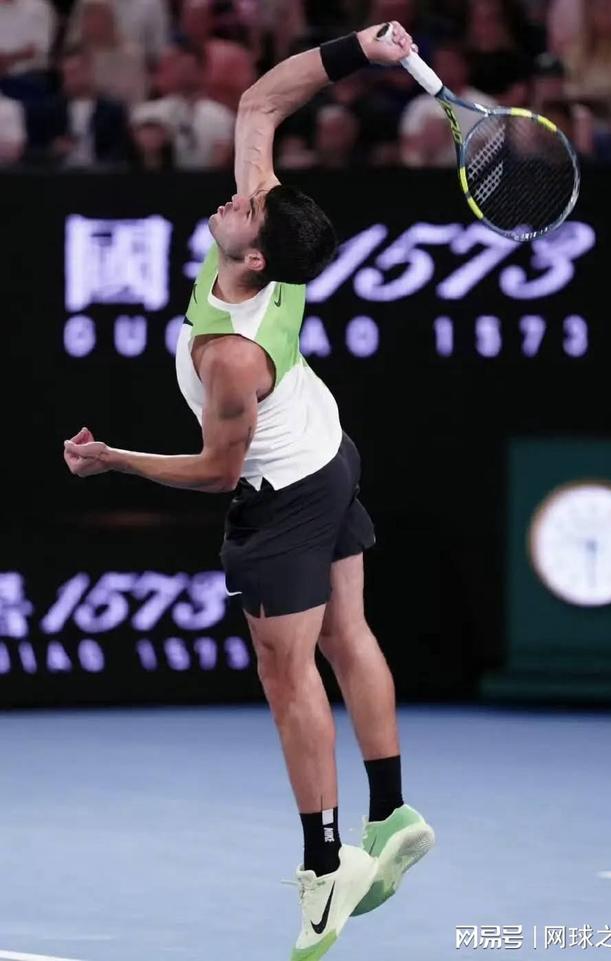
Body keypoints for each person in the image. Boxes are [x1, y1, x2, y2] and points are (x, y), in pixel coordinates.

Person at [63, 19, 435, 961]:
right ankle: (393, 812)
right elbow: (261, 102)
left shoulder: (231, 357)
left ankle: (327, 865)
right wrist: (360, 48)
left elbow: (216, 472)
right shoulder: (262, 239)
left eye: (244, 209)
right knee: (349, 633)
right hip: (328, 447)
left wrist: (115, 459)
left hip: (284, 493)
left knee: (288, 675)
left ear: (256, 256)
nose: (233, 201)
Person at [26, 45, 129, 168]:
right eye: (66, 74)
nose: (69, 79)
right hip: (59, 174)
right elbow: (30, 152)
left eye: (74, 72)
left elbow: (120, 150)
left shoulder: (112, 110)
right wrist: (53, 150)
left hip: (101, 174)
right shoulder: (48, 110)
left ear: (90, 71)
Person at [144, 43, 235, 169]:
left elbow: (220, 160)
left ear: (202, 71)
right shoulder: (151, 113)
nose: (184, 74)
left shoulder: (221, 116)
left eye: (189, 68)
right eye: (180, 68)